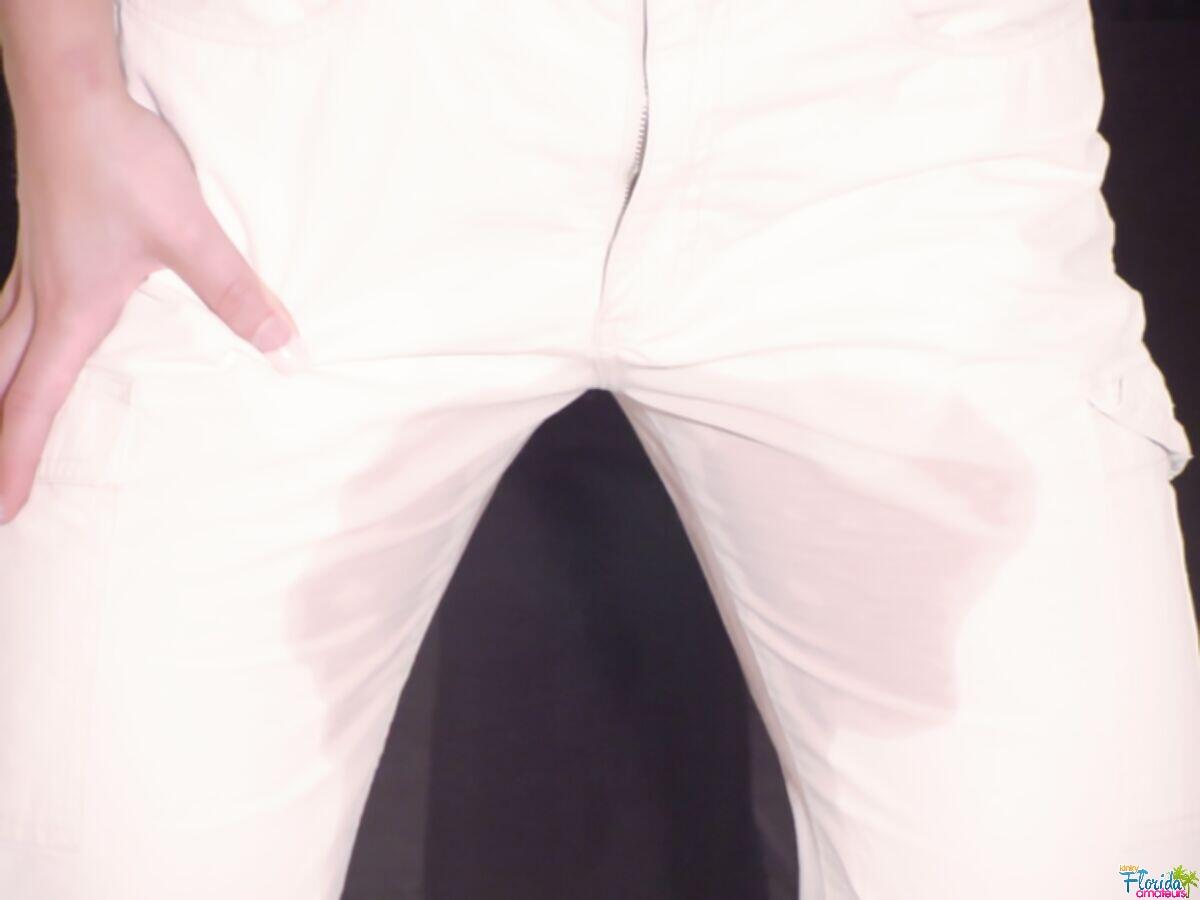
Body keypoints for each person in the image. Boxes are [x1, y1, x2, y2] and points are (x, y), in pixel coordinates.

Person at [1, 0, 1197, 897]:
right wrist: (60, 77)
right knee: (92, 864)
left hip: (904, 135)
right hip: (305, 129)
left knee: (1127, 879)